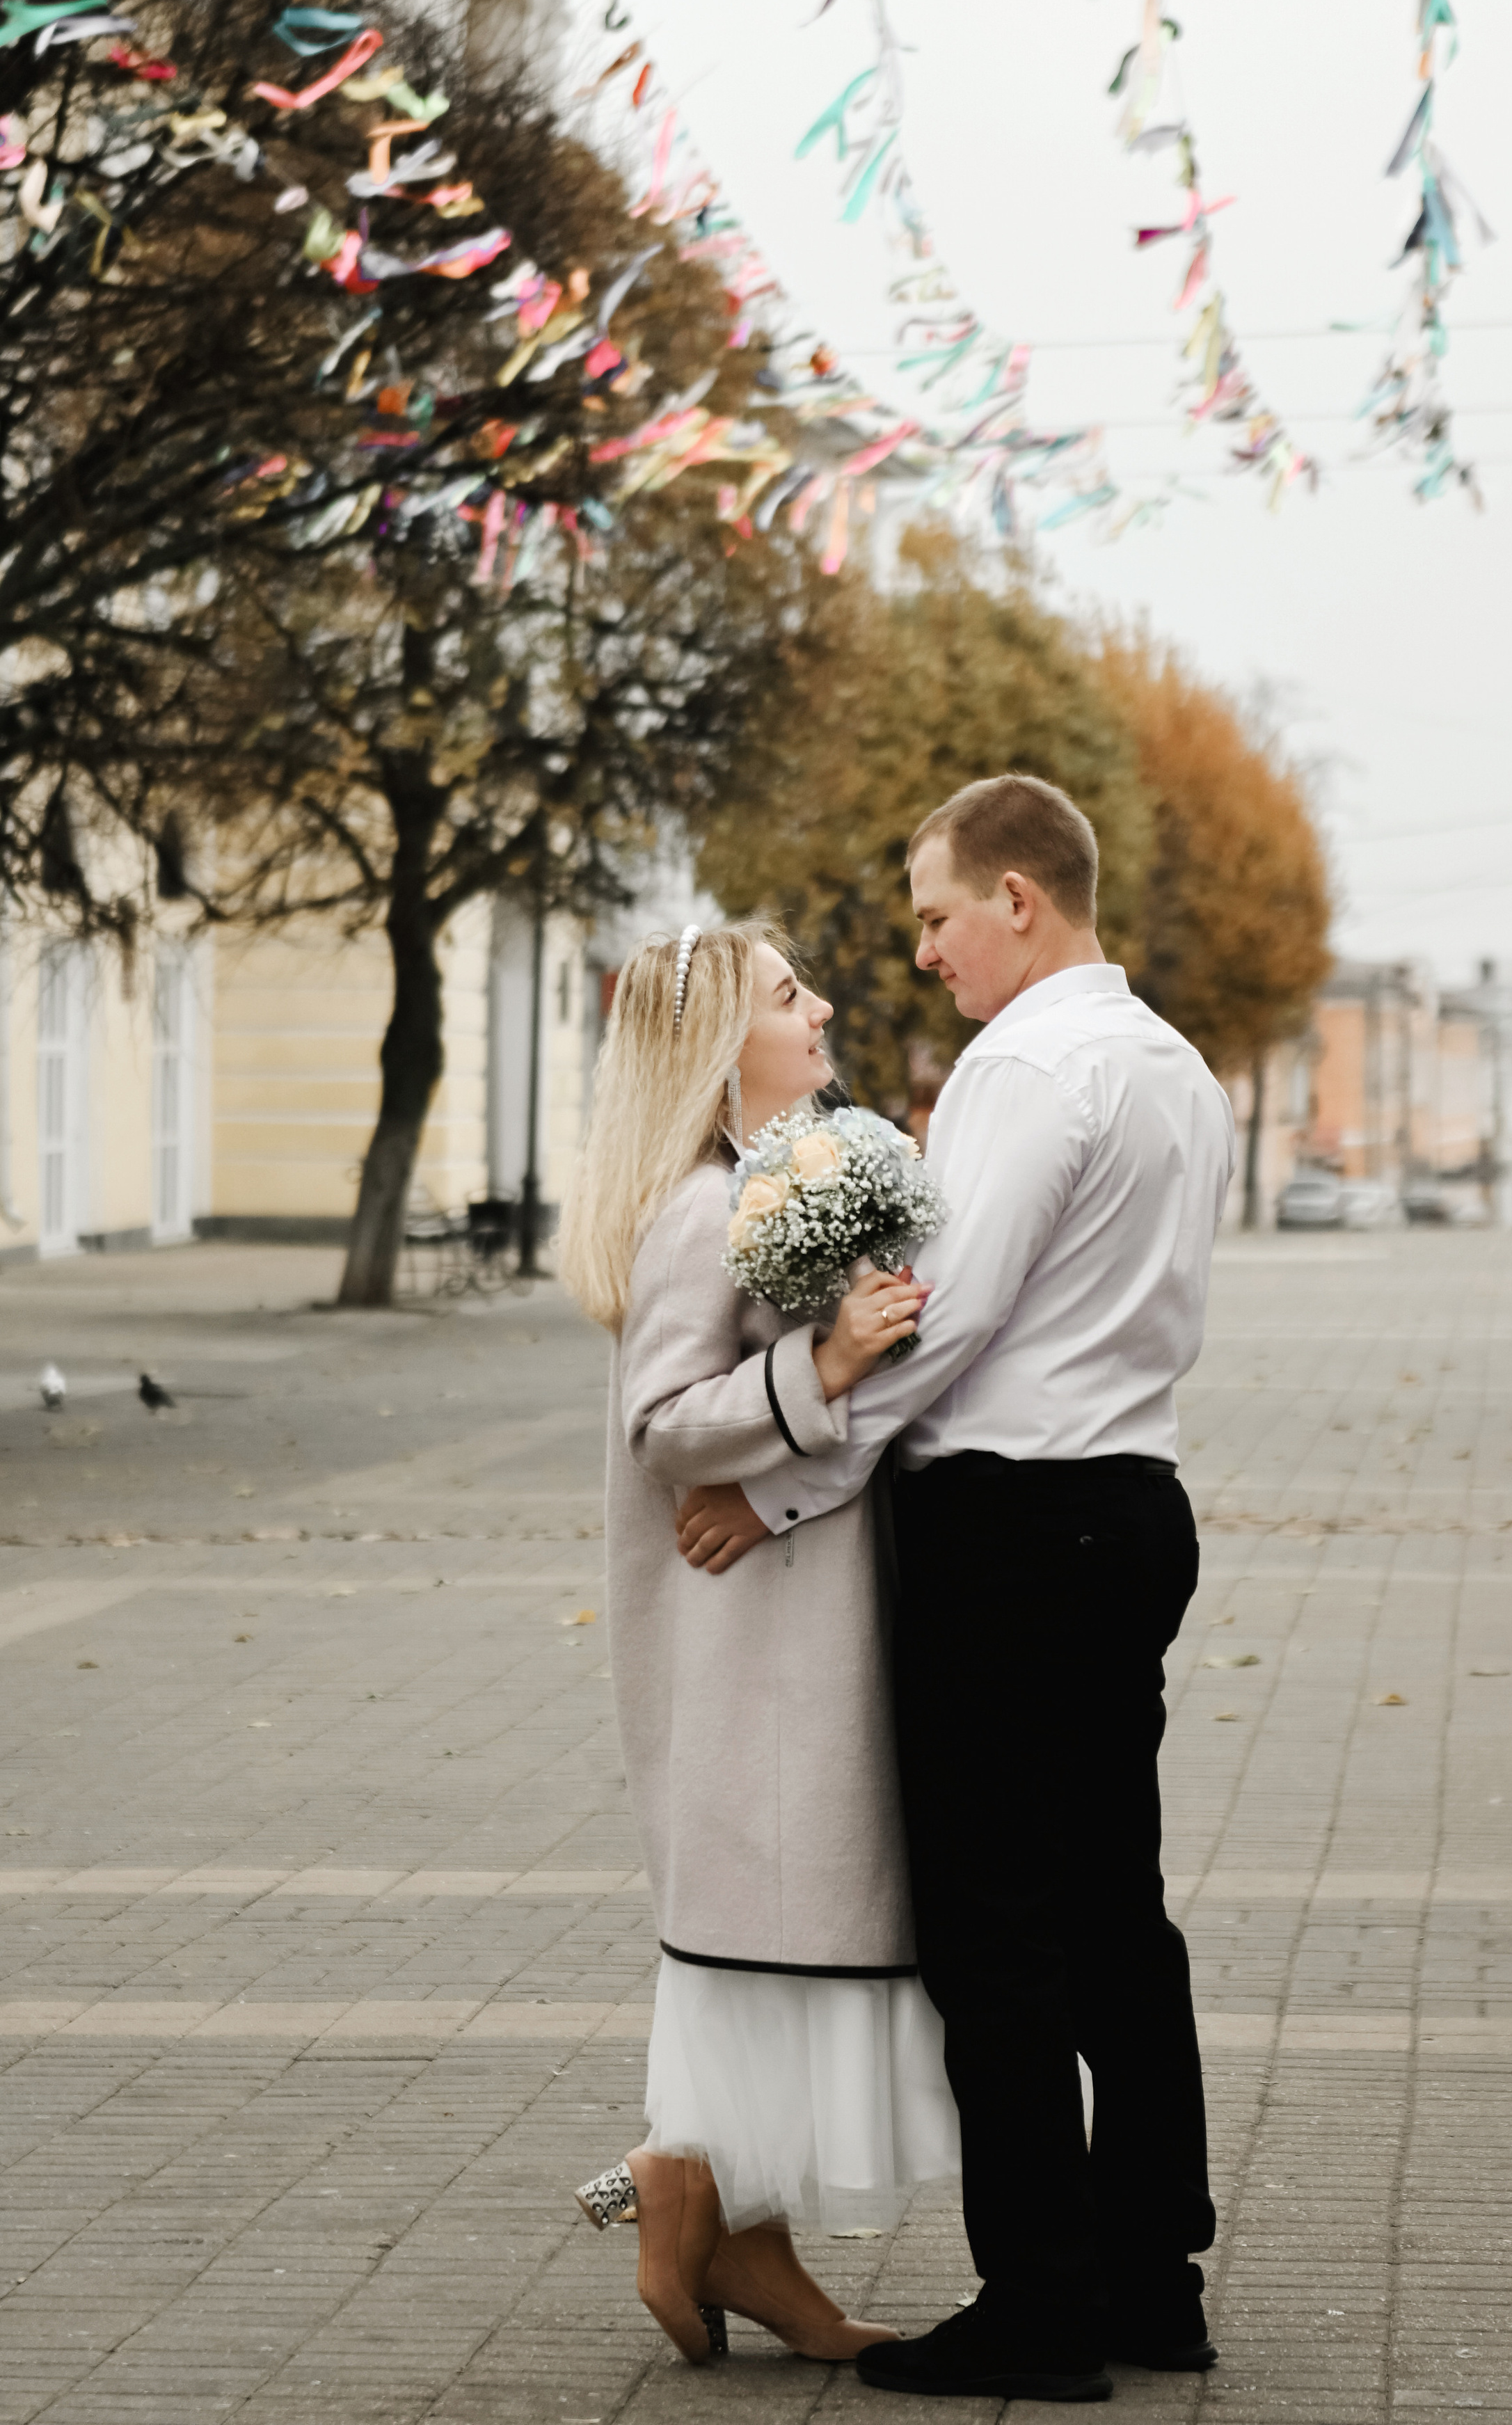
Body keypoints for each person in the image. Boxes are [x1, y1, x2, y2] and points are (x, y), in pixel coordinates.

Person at [676, 777, 1236, 2403]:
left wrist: (779, 1486)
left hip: (1006, 1532)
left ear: (1016, 898)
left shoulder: (1022, 1067)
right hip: (1133, 1507)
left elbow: (941, 1321)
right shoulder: (1173, 1068)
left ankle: (1040, 2307)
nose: (919, 951)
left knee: (993, 1938)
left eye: (932, 914)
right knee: (1113, 1916)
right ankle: (1151, 2278)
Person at [557, 919, 960, 2369]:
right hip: (747, 1645)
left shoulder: (772, 1183)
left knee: (784, 1934)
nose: (825, 1007)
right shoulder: (698, 1210)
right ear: (722, 1043)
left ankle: (733, 2224)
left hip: (797, 1615)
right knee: (765, 1928)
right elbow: (665, 1427)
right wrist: (826, 1367)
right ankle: (685, 2196)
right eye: (791, 996)